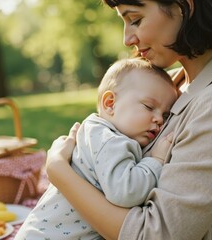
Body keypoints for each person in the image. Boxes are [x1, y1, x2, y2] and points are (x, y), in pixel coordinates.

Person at [43, 0, 212, 240]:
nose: (127, 39)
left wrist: (58, 170)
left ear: (185, 6)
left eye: (135, 20)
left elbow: (153, 235)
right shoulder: (169, 84)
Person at [15, 57, 178, 240]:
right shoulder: (109, 140)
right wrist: (155, 161)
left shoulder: (99, 133)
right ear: (110, 104)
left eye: (165, 114)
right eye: (149, 107)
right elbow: (127, 192)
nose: (160, 120)